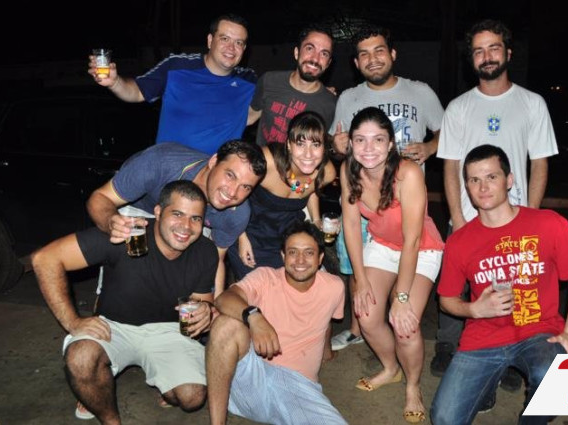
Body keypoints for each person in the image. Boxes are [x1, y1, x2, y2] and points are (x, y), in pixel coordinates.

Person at [432, 19, 559, 399]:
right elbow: (450, 166)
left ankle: (513, 357)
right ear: (470, 59)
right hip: (469, 217)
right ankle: (450, 345)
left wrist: (531, 216)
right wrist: (457, 219)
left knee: (517, 288)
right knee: (459, 288)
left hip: (515, 215)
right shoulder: (459, 107)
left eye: (493, 48)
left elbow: (539, 162)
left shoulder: (532, 103)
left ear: (508, 53)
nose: (486, 56)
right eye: (478, 50)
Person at [430, 144, 568, 425]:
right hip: (483, 338)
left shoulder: (547, 223)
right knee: (444, 418)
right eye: (474, 180)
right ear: (466, 187)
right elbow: (446, 299)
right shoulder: (459, 241)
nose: (483, 187)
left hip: (539, 332)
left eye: (491, 177)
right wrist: (474, 310)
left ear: (509, 180)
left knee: (558, 377)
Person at [32, 180, 220, 425]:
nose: (186, 226)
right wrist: (72, 322)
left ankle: (161, 381)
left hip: (168, 331)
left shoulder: (205, 250)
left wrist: (206, 311)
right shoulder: (129, 234)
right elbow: (45, 259)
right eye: (177, 214)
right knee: (82, 359)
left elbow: (202, 303)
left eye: (195, 218)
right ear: (158, 212)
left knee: (191, 397)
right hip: (113, 327)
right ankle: (110, 419)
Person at [328, 24, 445, 352]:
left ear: (392, 54)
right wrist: (336, 145)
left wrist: (429, 147)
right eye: (364, 54)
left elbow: (446, 132)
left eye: (379, 50)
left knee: (399, 291)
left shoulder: (420, 92)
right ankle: (358, 330)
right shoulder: (349, 98)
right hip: (361, 197)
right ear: (356, 63)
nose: (373, 59)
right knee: (356, 272)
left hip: (403, 202)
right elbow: (339, 146)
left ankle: (399, 319)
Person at [341, 107, 444, 423]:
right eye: (360, 139)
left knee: (405, 325)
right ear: (351, 144)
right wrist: (360, 280)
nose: (368, 148)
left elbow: (412, 240)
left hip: (421, 249)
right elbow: (351, 226)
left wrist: (401, 297)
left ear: (390, 144)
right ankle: (390, 368)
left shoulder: (407, 173)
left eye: (377, 139)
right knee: (366, 314)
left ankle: (413, 386)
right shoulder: (349, 171)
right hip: (382, 246)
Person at [87, 140, 267, 299]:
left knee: (187, 277)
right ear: (213, 161)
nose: (233, 192)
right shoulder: (161, 162)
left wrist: (215, 305)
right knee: (124, 278)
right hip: (141, 207)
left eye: (246, 187)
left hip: (195, 221)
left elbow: (215, 259)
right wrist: (111, 221)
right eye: (230, 175)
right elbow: (100, 198)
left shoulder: (237, 213)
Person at [206, 221, 347, 425]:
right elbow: (224, 299)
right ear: (283, 256)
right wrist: (254, 316)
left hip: (299, 387)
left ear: (320, 259)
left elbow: (325, 322)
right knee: (225, 325)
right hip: (251, 378)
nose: (300, 260)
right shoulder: (265, 277)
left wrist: (327, 353)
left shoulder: (334, 287)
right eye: (292, 252)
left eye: (309, 253)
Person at [88, 13, 255, 154]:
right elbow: (137, 92)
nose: (231, 48)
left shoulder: (249, 81)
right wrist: (115, 82)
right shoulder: (177, 66)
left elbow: (256, 113)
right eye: (225, 39)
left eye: (238, 42)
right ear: (210, 41)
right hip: (171, 173)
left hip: (217, 178)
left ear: (244, 48)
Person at [228, 111, 336, 279]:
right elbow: (232, 193)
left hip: (287, 239)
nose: (308, 154)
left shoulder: (327, 173)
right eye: (300, 144)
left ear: (324, 148)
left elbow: (311, 190)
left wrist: (316, 220)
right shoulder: (267, 162)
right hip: (248, 233)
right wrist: (240, 236)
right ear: (288, 145)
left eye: (315, 145)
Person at [247, 23, 337, 146]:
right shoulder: (269, 81)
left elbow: (326, 145)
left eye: (324, 54)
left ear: (328, 63)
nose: (315, 59)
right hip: (262, 157)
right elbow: (250, 117)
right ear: (296, 52)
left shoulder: (330, 104)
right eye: (309, 48)